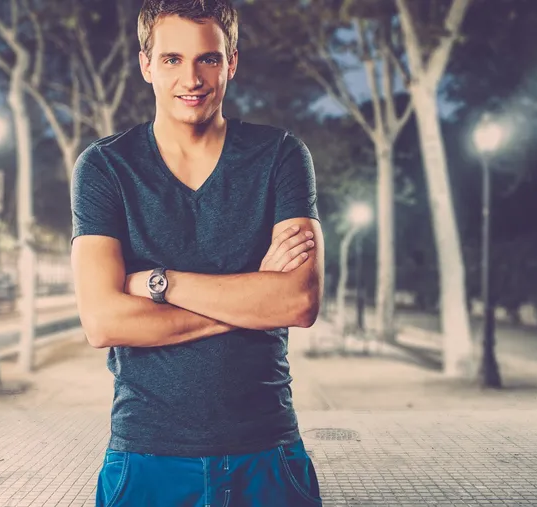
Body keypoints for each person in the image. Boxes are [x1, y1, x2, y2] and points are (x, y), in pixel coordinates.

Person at [70, 0, 325, 505]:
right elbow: (103, 322)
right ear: (146, 65)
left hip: (267, 452)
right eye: (171, 59)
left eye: (207, 58)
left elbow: (298, 302)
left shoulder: (280, 155)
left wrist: (159, 283)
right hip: (146, 456)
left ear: (231, 62)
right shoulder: (104, 168)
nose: (191, 78)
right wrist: (253, 296)